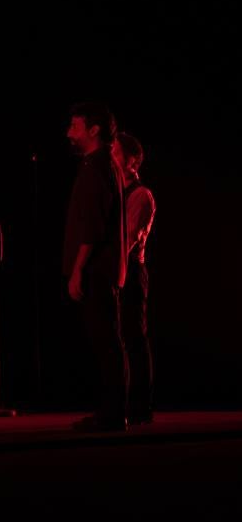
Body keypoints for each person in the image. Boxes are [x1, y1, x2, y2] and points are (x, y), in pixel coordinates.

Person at [63, 101, 127, 432]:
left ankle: (113, 414)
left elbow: (92, 228)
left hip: (96, 271)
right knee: (107, 340)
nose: (68, 133)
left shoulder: (97, 167)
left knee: (106, 341)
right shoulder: (104, 165)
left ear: (94, 130)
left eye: (74, 127)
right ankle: (112, 411)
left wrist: (76, 270)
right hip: (103, 269)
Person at [114, 131, 155, 425]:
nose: (110, 157)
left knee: (134, 339)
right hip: (120, 271)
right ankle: (125, 403)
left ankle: (140, 406)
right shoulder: (117, 193)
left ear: (131, 160)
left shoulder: (141, 195)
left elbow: (127, 240)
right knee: (121, 339)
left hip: (130, 271)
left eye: (115, 152)